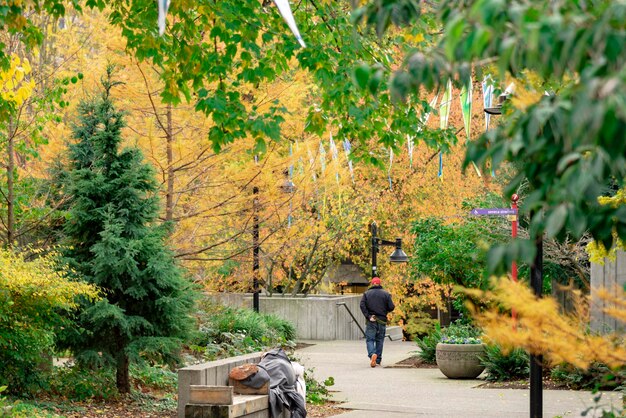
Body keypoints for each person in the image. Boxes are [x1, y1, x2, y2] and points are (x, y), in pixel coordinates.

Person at [359, 276, 395, 367]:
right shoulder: (386, 294)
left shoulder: (366, 294)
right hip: (382, 320)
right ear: (379, 283)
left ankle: (372, 355)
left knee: (370, 339)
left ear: (372, 283)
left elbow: (362, 305)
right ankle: (378, 360)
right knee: (380, 340)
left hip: (371, 320)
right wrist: (384, 310)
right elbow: (391, 307)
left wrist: (368, 316)